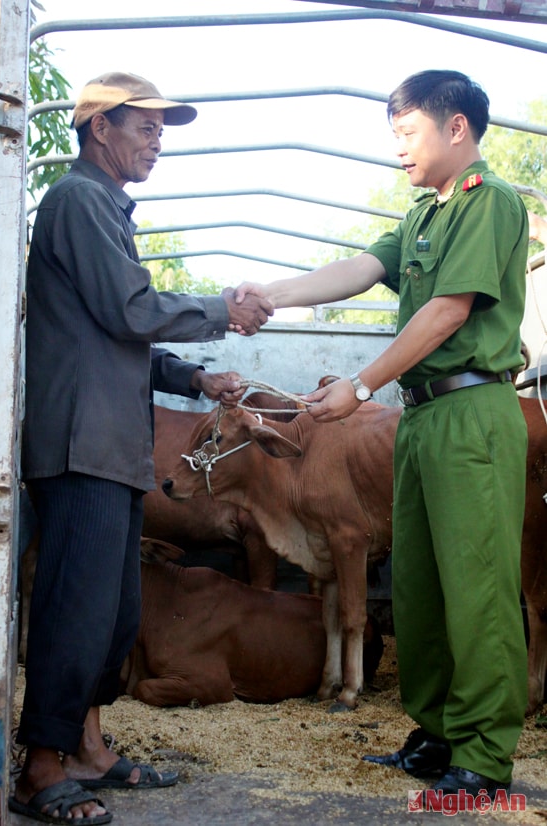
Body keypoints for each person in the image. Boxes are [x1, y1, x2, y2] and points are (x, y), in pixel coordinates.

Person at [236, 70, 529, 800]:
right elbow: (362, 268)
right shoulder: (425, 217)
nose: (397, 149)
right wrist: (273, 293)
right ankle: (432, 733)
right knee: (422, 586)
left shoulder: (488, 203)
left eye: (407, 133)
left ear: (455, 127)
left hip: (471, 412)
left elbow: (448, 313)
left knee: (478, 588)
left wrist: (360, 386)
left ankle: (486, 756)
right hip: (423, 415)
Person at [11, 71, 272, 825]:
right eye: (146, 128)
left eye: (162, 131)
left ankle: (89, 746)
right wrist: (220, 309)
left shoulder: (105, 212)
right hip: (80, 446)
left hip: (113, 449)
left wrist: (190, 373)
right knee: (74, 611)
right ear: (100, 128)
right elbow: (129, 310)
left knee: (113, 614)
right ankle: (41, 767)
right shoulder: (78, 201)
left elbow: (115, 335)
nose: (157, 142)